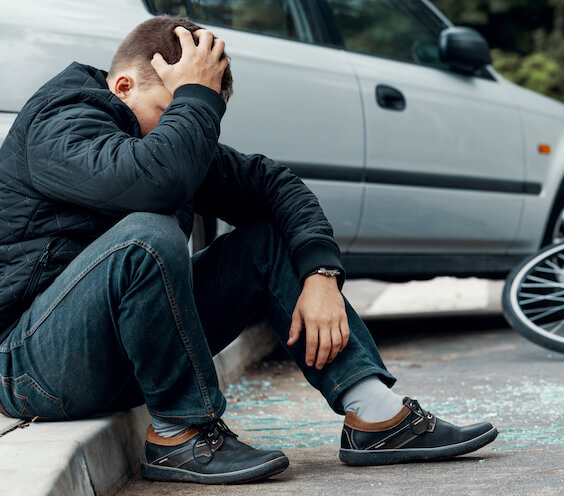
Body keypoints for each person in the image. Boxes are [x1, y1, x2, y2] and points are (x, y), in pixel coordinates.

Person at [0, 16, 497, 484]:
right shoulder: (60, 121)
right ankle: (181, 434)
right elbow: (149, 186)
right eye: (170, 115)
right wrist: (195, 97)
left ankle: (376, 416)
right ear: (123, 86)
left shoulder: (167, 145)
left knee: (265, 240)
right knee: (147, 235)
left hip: (117, 357)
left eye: (191, 119)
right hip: (30, 365)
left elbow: (275, 186)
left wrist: (321, 274)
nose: (182, 133)